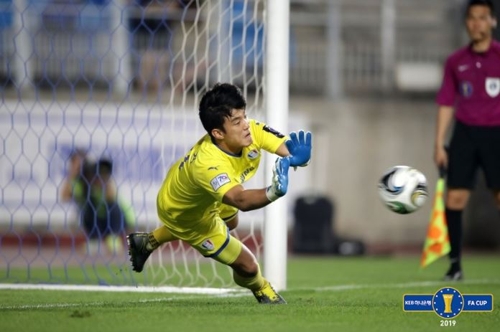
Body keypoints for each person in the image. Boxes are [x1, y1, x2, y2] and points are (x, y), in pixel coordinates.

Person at [127, 83, 312, 304]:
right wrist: (273, 192)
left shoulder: (250, 130)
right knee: (248, 266)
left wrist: (300, 157)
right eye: (236, 121)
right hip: (184, 212)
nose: (246, 125)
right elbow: (239, 199)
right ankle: (262, 288)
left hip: (198, 189)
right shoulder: (208, 164)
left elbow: (288, 149)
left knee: (231, 223)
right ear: (217, 133)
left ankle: (148, 241)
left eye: (244, 116)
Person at [434, 0, 500, 281]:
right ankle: (455, 265)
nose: (477, 23)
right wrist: (439, 143)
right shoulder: (455, 61)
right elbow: (447, 102)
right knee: (455, 198)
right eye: (472, 18)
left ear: (493, 22)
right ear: (466, 22)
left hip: (496, 132)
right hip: (465, 132)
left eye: (482, 18)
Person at [61, 152, 136, 255]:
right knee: (87, 207)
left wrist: (103, 179)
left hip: (116, 219)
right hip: (94, 220)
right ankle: (94, 240)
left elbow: (112, 197)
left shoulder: (104, 182)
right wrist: (72, 174)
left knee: (113, 206)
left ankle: (113, 239)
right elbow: (65, 197)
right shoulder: (81, 184)